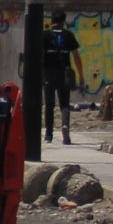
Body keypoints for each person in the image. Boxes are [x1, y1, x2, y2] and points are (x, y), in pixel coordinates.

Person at [42, 10, 81, 144]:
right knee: (64, 104)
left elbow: (38, 55)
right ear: (63, 22)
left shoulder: (45, 35)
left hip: (48, 73)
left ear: (51, 21)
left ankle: (48, 135)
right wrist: (80, 75)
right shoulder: (68, 35)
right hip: (64, 72)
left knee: (49, 105)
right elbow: (76, 56)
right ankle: (65, 126)